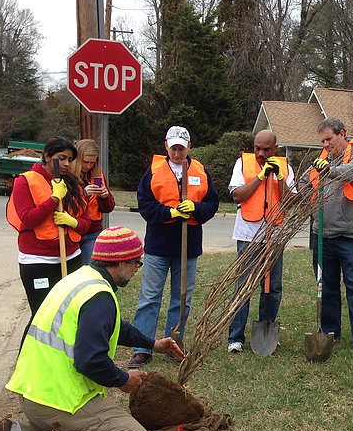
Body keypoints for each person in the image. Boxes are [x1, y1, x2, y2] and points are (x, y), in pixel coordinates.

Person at [0, 227, 185, 431]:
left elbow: (112, 326)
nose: (137, 269)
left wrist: (152, 344)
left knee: (84, 424)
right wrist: (123, 379)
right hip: (62, 401)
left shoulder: (80, 280)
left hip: (35, 394)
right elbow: (90, 361)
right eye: (136, 262)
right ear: (120, 261)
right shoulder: (99, 297)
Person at [129, 126, 219, 367]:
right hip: (158, 246)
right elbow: (145, 205)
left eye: (182, 148)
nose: (177, 152)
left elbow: (212, 203)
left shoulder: (200, 170)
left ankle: (173, 344)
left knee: (182, 299)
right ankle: (143, 348)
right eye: (173, 148)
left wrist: (196, 209)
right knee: (149, 298)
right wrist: (168, 211)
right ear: (166, 146)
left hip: (188, 247)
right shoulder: (154, 171)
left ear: (189, 147)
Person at [305, 118, 353, 357]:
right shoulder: (321, 159)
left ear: (342, 134)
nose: (326, 145)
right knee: (326, 288)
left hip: (350, 236)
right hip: (322, 235)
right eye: (322, 141)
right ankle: (330, 332)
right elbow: (305, 183)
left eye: (329, 139)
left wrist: (330, 170)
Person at [7, 137, 90, 319]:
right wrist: (54, 199)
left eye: (70, 159)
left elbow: (86, 224)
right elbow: (28, 220)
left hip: (71, 258)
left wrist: (72, 222)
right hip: (38, 261)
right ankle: (30, 348)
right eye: (61, 158)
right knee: (42, 317)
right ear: (46, 156)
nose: (66, 164)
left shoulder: (74, 184)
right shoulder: (25, 181)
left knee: (69, 315)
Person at [227, 130, 294, 353]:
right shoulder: (242, 164)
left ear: (275, 148)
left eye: (266, 149)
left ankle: (268, 328)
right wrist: (261, 176)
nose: (261, 153)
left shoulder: (285, 166)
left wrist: (280, 178)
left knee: (273, 288)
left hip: (274, 237)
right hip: (248, 236)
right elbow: (237, 195)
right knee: (243, 287)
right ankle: (236, 338)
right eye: (257, 148)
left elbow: (290, 201)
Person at [74, 139, 116, 264]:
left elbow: (108, 208)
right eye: (85, 162)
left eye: (92, 163)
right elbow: (66, 204)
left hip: (92, 231)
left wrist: (104, 197)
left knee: (91, 270)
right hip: (73, 230)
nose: (88, 166)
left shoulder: (97, 176)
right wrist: (84, 194)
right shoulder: (68, 175)